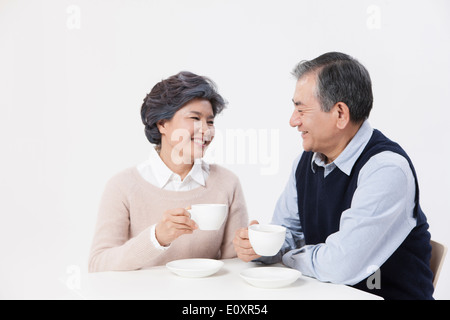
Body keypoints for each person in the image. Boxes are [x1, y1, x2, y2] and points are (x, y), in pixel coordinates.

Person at [233, 52, 434, 300]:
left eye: (301, 109)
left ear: (340, 113)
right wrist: (261, 248)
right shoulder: (306, 163)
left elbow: (340, 265)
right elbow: (288, 234)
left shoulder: (385, 169)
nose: (292, 120)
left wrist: (286, 255)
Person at [89, 71, 248, 272]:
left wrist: (251, 247)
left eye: (210, 121)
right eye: (194, 118)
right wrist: (156, 238)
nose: (206, 130)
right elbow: (98, 265)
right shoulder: (122, 186)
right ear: (162, 123)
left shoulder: (227, 182)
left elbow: (234, 264)